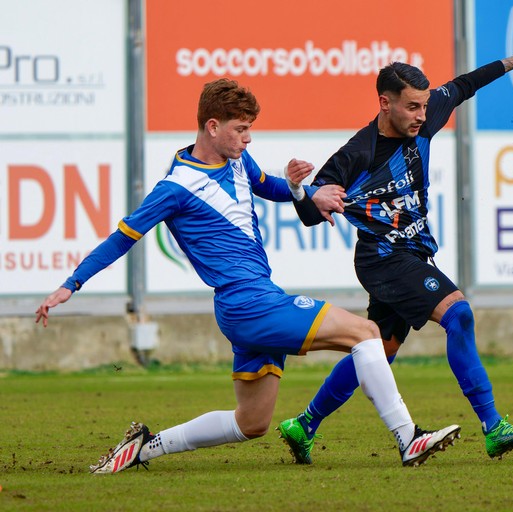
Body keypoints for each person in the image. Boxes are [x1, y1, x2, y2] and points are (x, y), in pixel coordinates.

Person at [35, 78, 460, 472]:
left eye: (249, 129)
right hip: (249, 303)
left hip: (250, 302)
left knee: (251, 422)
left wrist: (303, 190)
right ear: (212, 126)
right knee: (366, 333)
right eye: (241, 129)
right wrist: (71, 284)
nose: (248, 137)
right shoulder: (176, 187)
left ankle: (144, 447)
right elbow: (121, 238)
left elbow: (269, 186)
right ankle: (409, 439)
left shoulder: (237, 160)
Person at [279, 39, 513, 463]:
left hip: (412, 255)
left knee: (378, 350)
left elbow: (467, 84)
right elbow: (313, 213)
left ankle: (304, 424)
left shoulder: (425, 115)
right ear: (385, 103)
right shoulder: (356, 155)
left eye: (424, 106)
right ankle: (493, 427)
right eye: (413, 107)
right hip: (383, 258)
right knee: (459, 314)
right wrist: (297, 190)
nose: (423, 114)